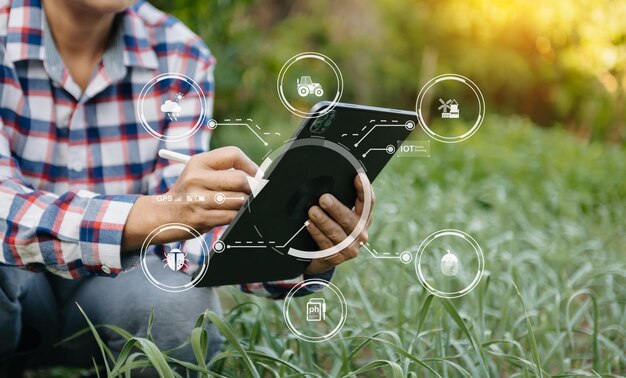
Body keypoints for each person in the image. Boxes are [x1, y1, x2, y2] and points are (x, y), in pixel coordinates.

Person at [0, 0, 373, 374]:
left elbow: (186, 234)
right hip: (15, 284)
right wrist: (155, 212)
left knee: (176, 308)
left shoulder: (178, 52)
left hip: (117, 286)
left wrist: (297, 253)